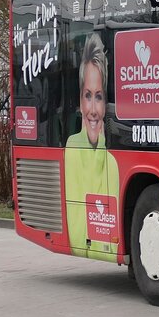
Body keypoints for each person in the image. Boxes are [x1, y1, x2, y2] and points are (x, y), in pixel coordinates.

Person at [64, 33, 121, 259]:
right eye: (88, 95)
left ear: (106, 102)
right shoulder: (71, 148)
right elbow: (77, 238)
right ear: (80, 101)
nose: (94, 110)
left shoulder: (113, 159)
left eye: (99, 97)